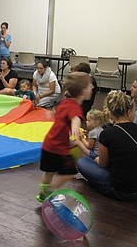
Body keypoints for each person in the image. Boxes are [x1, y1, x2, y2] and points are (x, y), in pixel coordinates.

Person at [77, 90, 137, 201]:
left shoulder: (107, 134)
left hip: (121, 192)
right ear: (128, 112)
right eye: (135, 111)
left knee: (82, 162)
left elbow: (103, 164)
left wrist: (95, 159)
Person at [36, 72, 92, 202]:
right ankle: (51, 190)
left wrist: (51, 115)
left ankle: (43, 194)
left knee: (49, 172)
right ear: (83, 92)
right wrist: (75, 129)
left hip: (48, 145)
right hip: (58, 149)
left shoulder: (65, 102)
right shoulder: (76, 108)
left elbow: (58, 113)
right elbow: (75, 118)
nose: (92, 88)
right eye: (90, 86)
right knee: (71, 172)